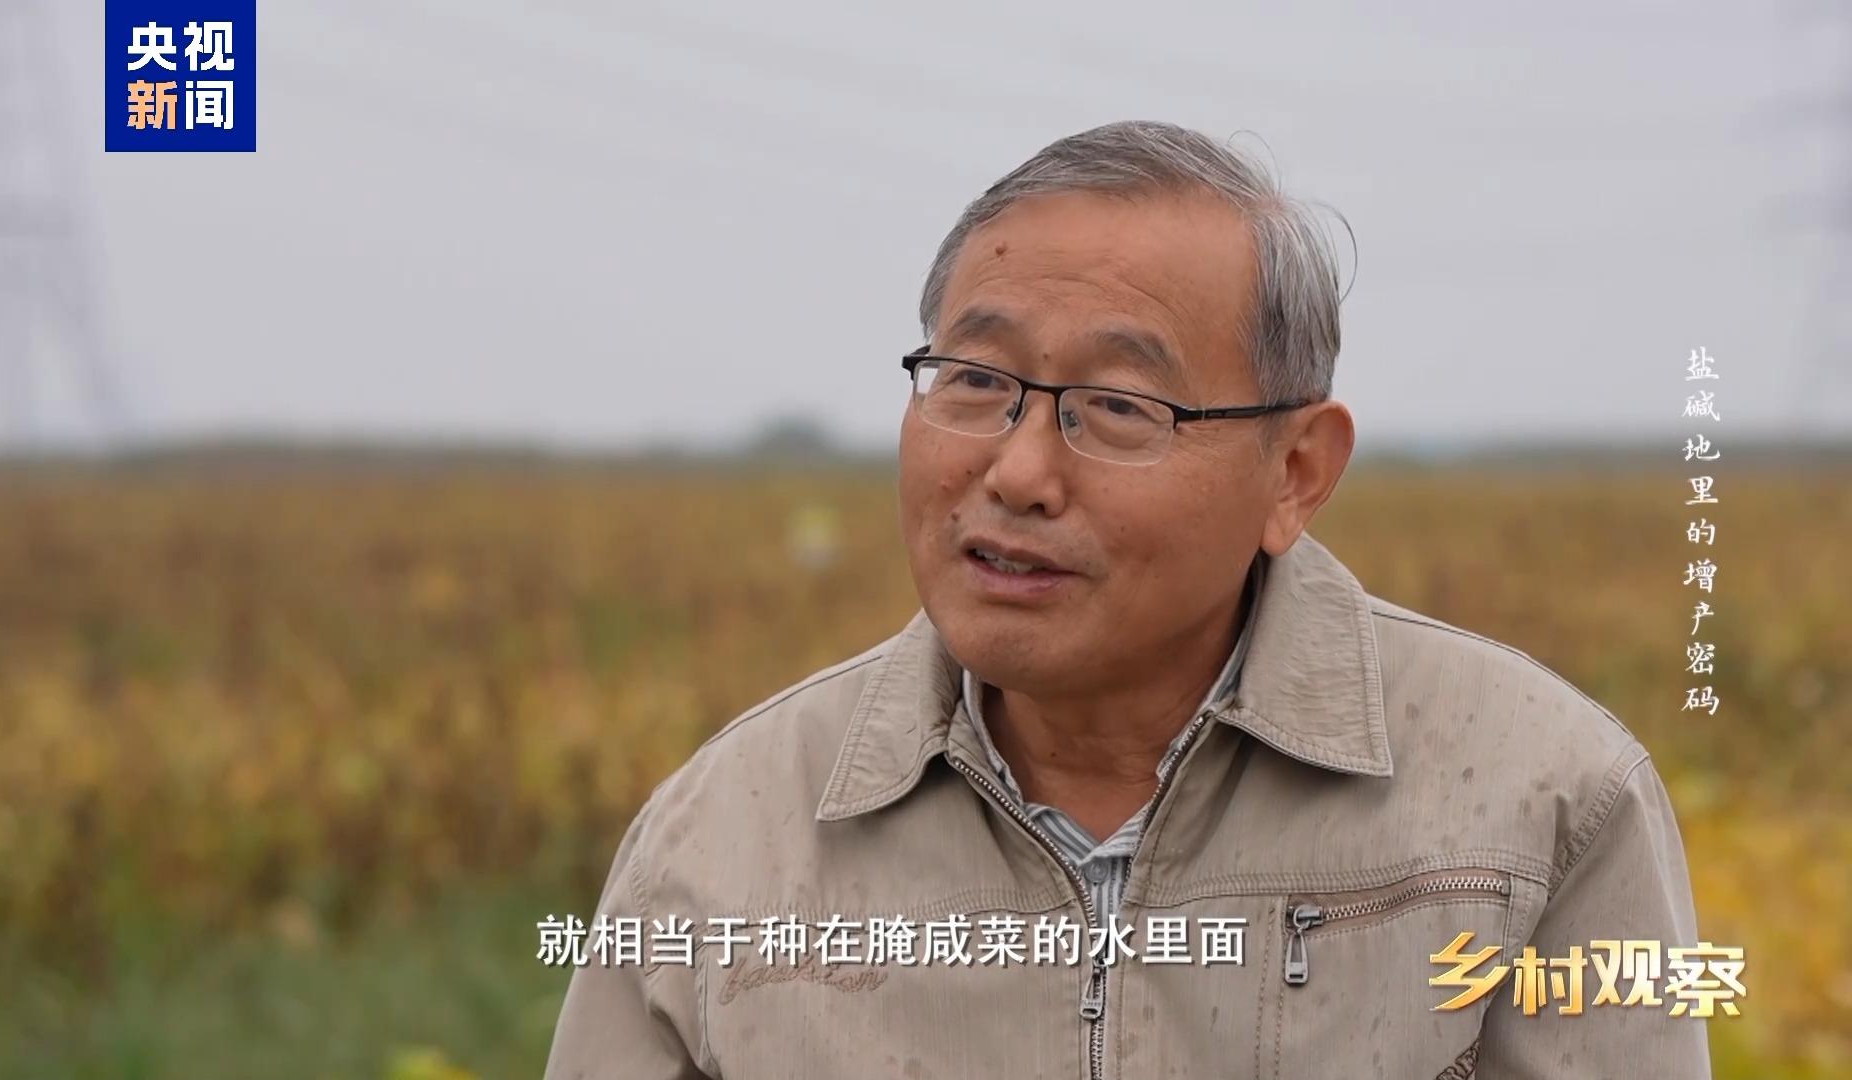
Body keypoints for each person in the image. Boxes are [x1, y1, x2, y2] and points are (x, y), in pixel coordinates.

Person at [543, 120, 1709, 1078]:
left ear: (1296, 472)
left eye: (1117, 406)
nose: (1017, 473)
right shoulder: (723, 842)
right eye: (974, 380)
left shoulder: (1541, 802)